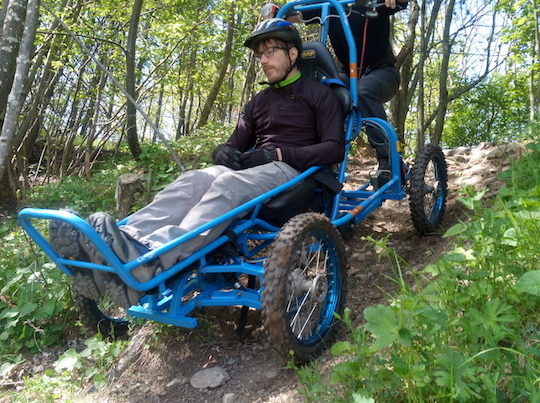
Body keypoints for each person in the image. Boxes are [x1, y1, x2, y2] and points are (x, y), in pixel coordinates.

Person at [49, 18, 345, 309]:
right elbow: (235, 144)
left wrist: (279, 154)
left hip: (293, 171)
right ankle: (124, 242)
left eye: (270, 52)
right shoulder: (258, 101)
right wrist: (223, 152)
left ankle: (153, 259)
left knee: (228, 184)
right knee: (192, 180)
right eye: (259, 54)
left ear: (292, 54)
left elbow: (334, 149)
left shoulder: (320, 94)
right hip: (253, 170)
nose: (263, 60)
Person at [273, 0, 408, 183]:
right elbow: (295, 15)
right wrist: (277, 13)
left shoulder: (371, 2)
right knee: (319, 93)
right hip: (348, 74)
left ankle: (389, 160)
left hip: (382, 72)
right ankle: (320, 160)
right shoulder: (328, 4)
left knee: (363, 92)